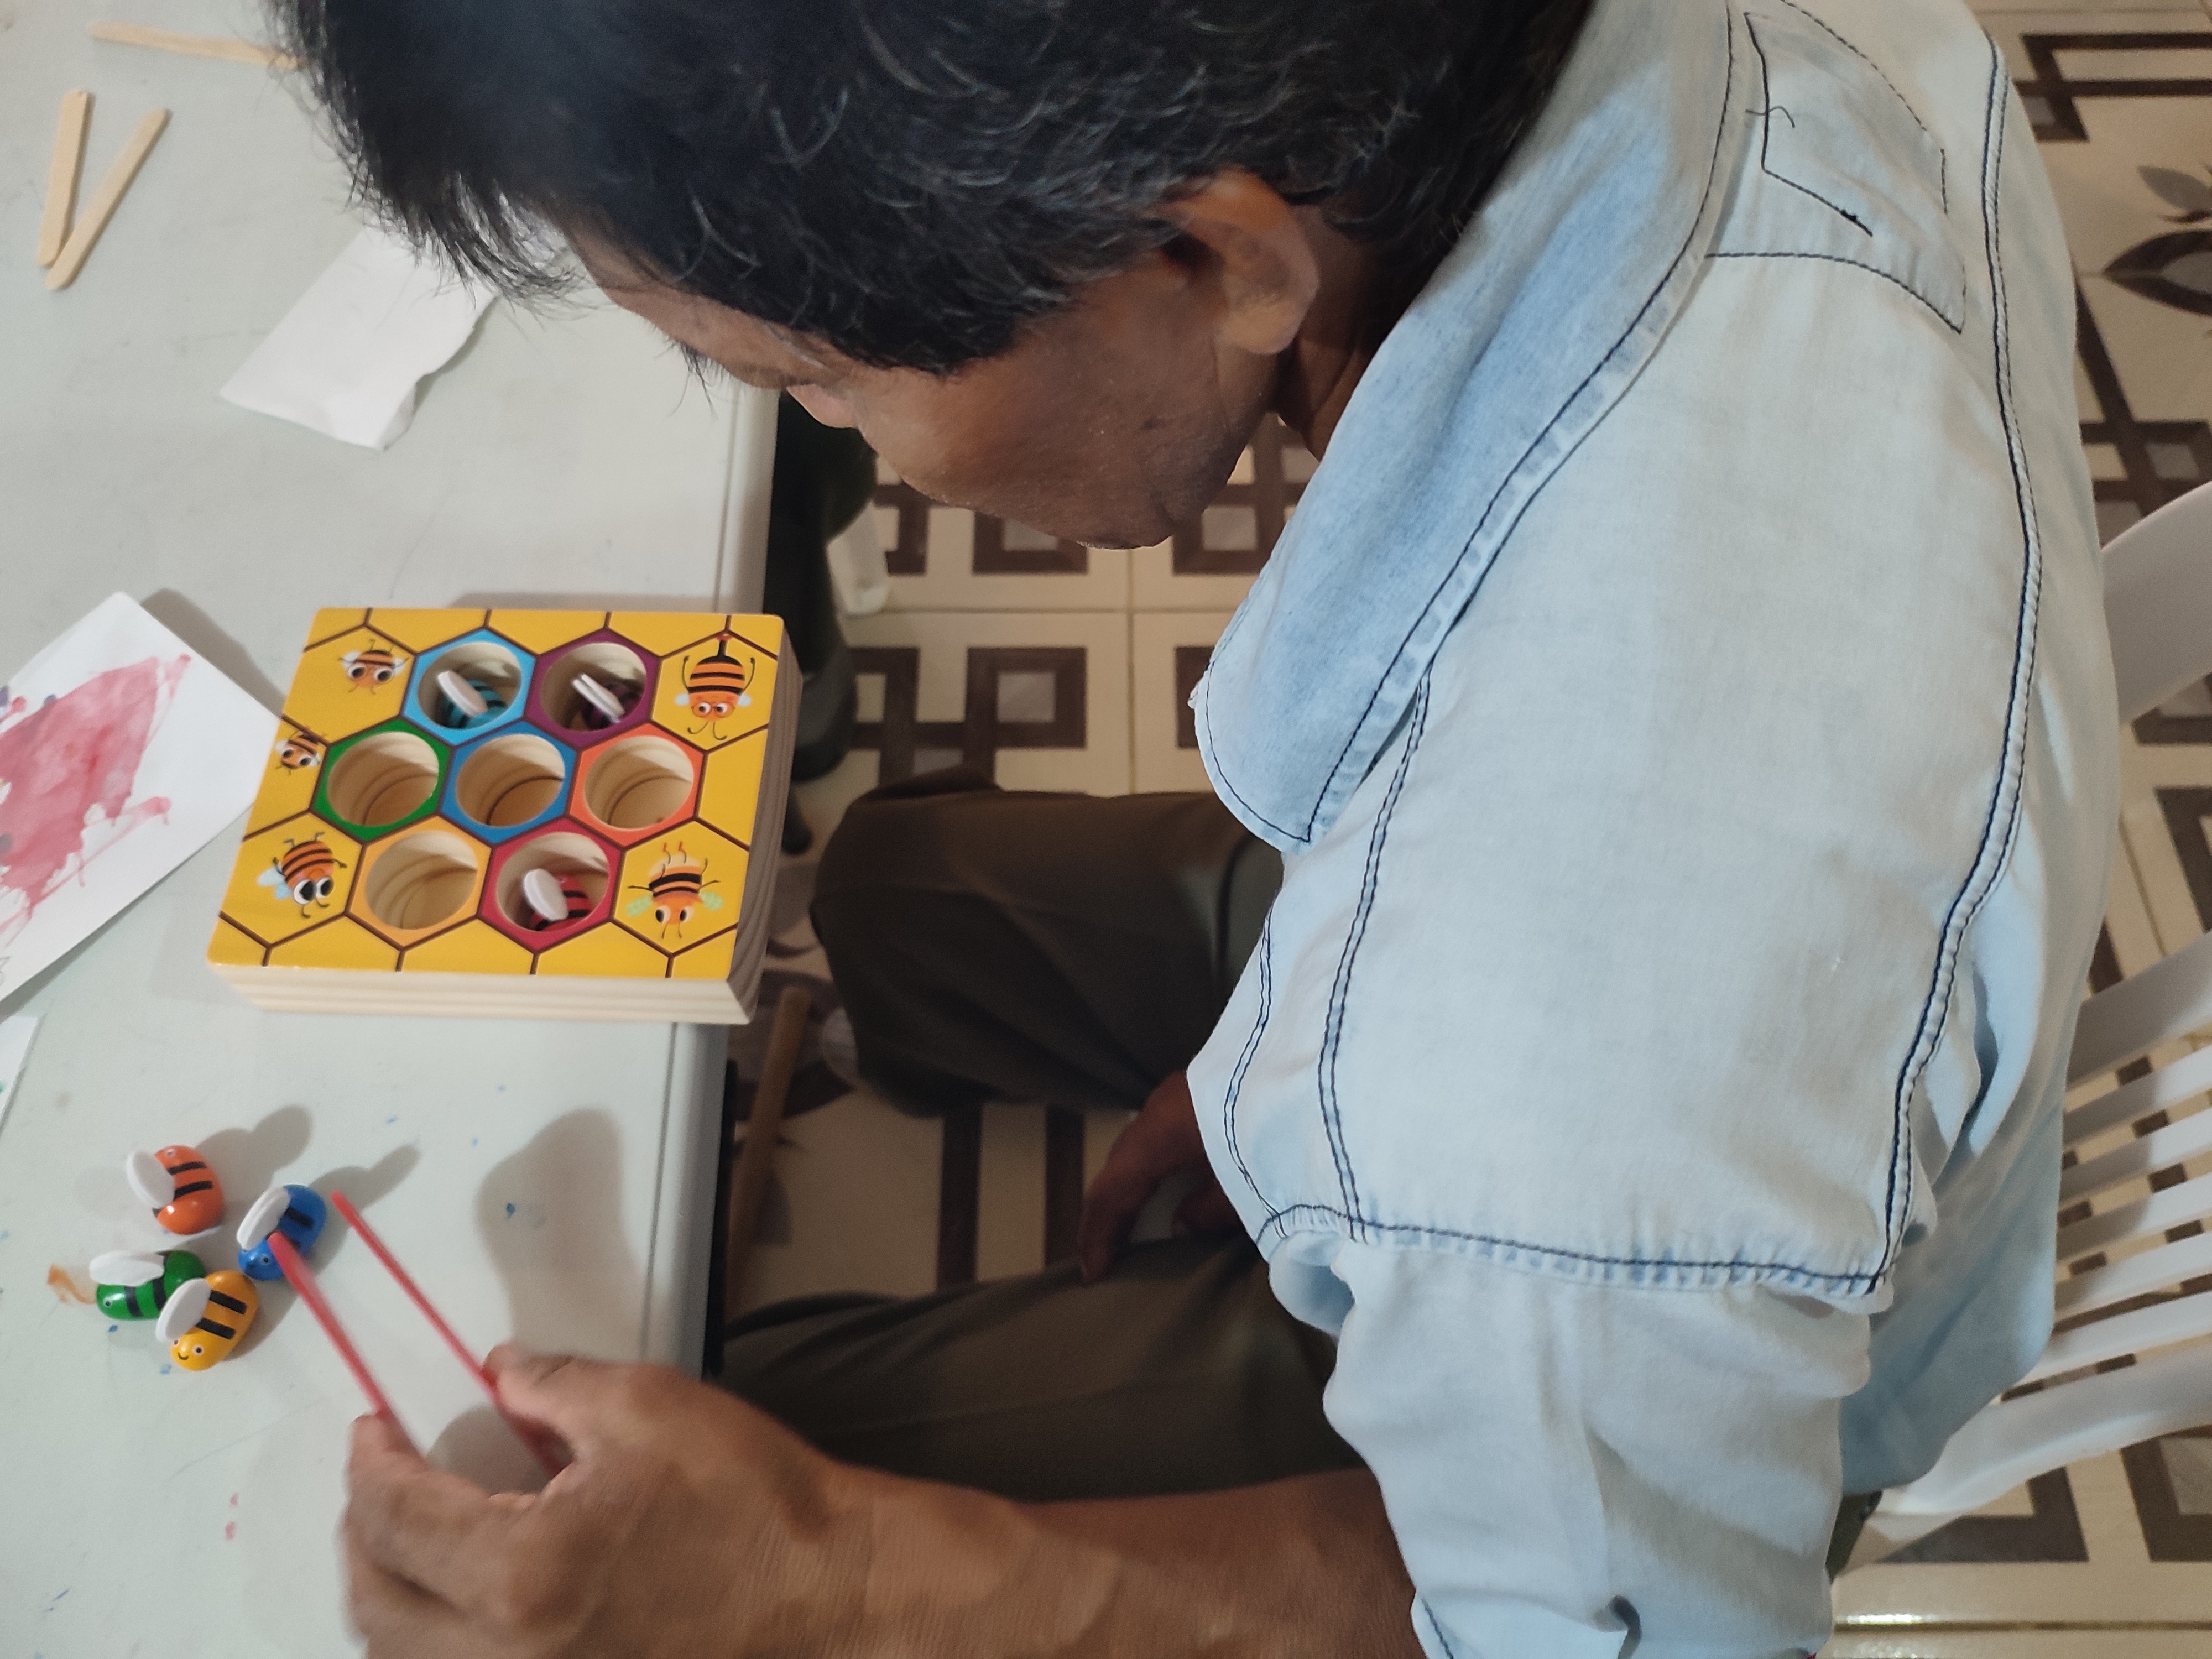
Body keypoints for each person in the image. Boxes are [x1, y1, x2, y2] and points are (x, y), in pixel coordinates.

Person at [282, 0, 2120, 1650]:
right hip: (1701, 990)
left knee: (751, 1436)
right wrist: (1284, 1049)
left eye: (817, 384)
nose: (870, 453)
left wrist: (830, 1575)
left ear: (1210, 252)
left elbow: (1616, 1636)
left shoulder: (1523, 1126)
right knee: (899, 886)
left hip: (1683, 1398)